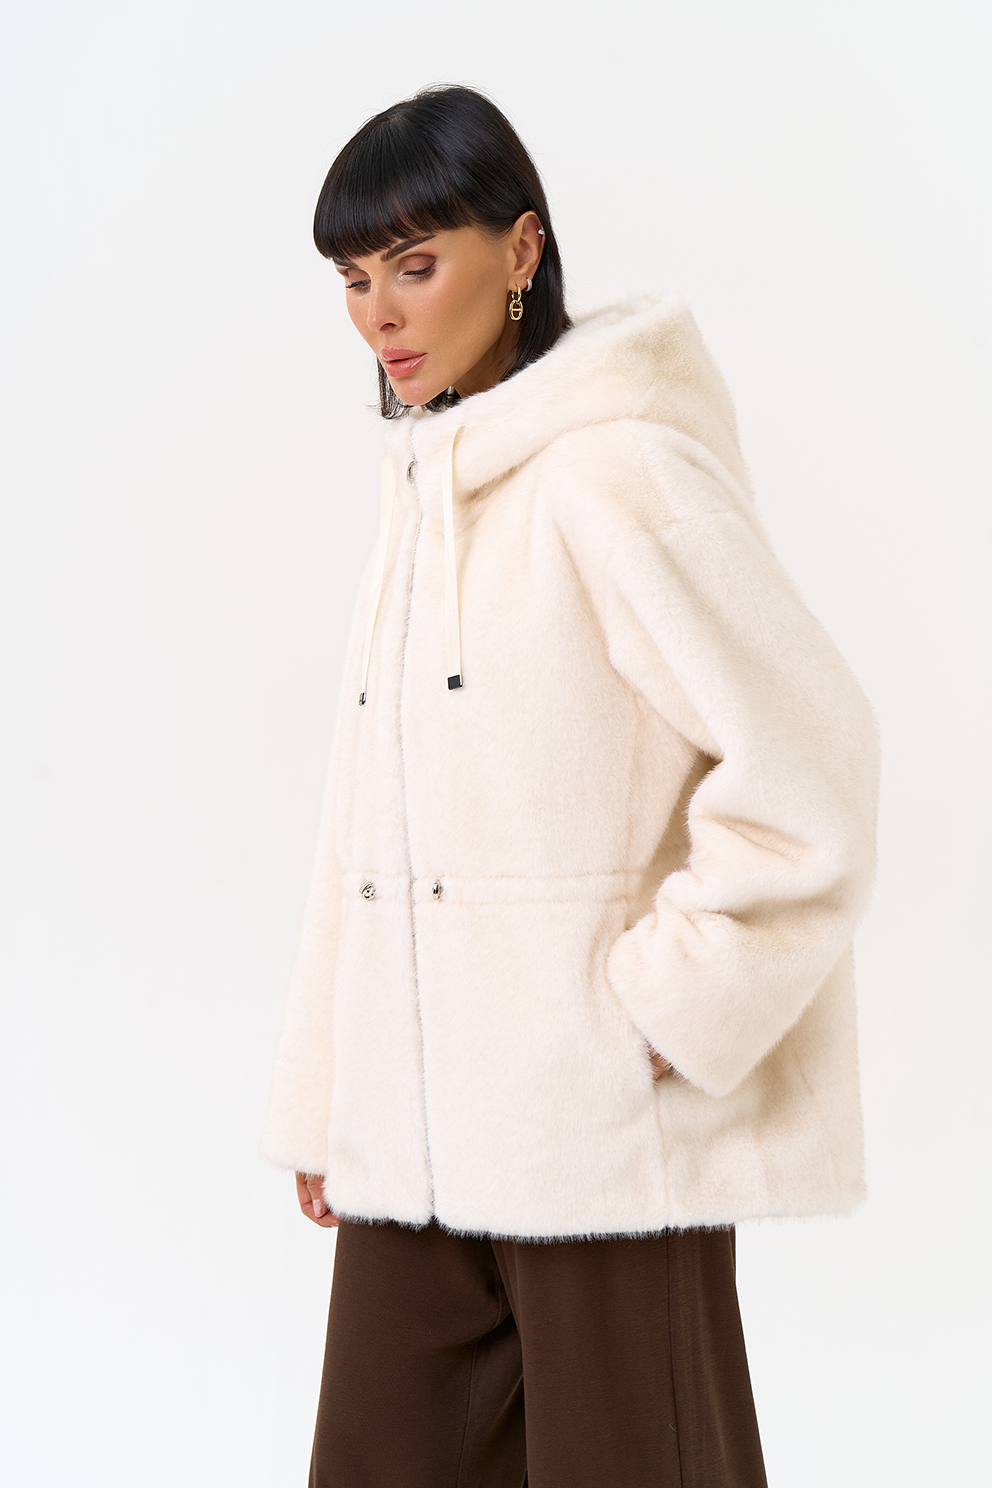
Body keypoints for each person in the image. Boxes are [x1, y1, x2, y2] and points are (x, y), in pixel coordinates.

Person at [261, 84, 879, 1488]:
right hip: (414, 1143)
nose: (380, 316)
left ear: (522, 249)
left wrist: (662, 1011)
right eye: (354, 280)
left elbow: (815, 759)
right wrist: (331, 1094)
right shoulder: (423, 494)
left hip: (600, 1143)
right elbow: (364, 832)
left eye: (415, 265)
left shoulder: (617, 472)